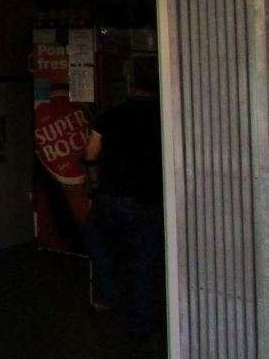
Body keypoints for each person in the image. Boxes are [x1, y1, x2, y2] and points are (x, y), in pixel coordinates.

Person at [84, 59, 164, 339]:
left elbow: (90, 153)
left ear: (131, 86)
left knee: (100, 244)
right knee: (144, 261)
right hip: (149, 200)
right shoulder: (164, 117)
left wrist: (94, 185)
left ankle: (106, 298)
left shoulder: (111, 115)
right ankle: (143, 322)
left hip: (111, 196)